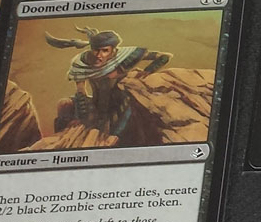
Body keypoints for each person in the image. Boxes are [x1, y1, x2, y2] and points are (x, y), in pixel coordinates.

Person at [44, 25, 172, 145]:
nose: (99, 55)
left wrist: (147, 71)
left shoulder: (125, 57)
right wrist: (83, 118)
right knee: (64, 105)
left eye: (105, 51)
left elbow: (164, 57)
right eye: (96, 50)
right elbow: (81, 92)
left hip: (122, 107)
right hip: (96, 106)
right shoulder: (83, 62)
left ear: (113, 50)